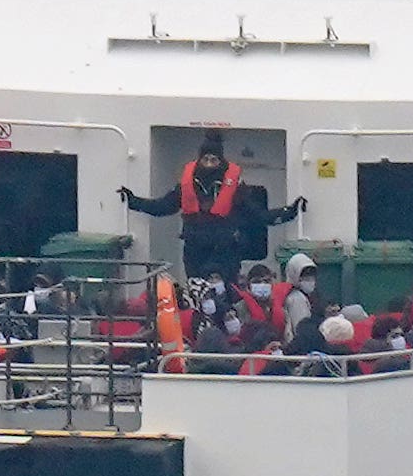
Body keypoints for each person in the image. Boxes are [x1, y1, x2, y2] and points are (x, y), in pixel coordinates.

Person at [117, 131, 302, 281]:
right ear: (199, 161)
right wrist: (134, 202)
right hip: (195, 250)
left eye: (214, 160)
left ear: (221, 162)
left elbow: (258, 215)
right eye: (205, 160)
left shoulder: (235, 188)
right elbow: (163, 206)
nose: (209, 164)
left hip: (225, 251)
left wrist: (288, 212)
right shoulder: (186, 186)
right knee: (198, 292)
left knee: (223, 294)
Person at [282, 253, 319, 342]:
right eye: (304, 275)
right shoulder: (297, 299)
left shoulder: (305, 296)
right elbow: (302, 330)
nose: (309, 278)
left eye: (312, 274)